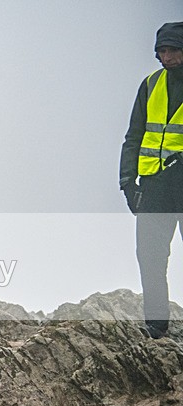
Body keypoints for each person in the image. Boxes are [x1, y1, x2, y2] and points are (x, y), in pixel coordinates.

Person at [120, 22, 183, 340]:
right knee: (150, 256)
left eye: (172, 50)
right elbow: (133, 136)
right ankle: (156, 326)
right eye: (162, 51)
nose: (166, 57)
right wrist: (127, 182)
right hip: (154, 186)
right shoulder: (150, 84)